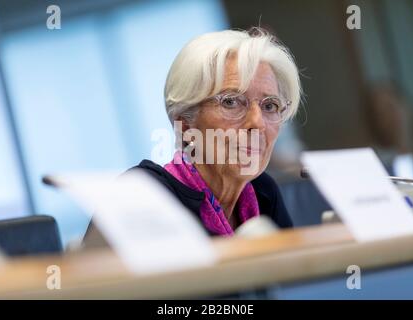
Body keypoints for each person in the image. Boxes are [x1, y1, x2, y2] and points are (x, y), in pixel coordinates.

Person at [84, 28, 302, 246]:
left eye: (270, 105)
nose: (257, 122)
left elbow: (297, 277)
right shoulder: (141, 195)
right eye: (230, 101)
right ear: (185, 124)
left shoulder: (263, 192)